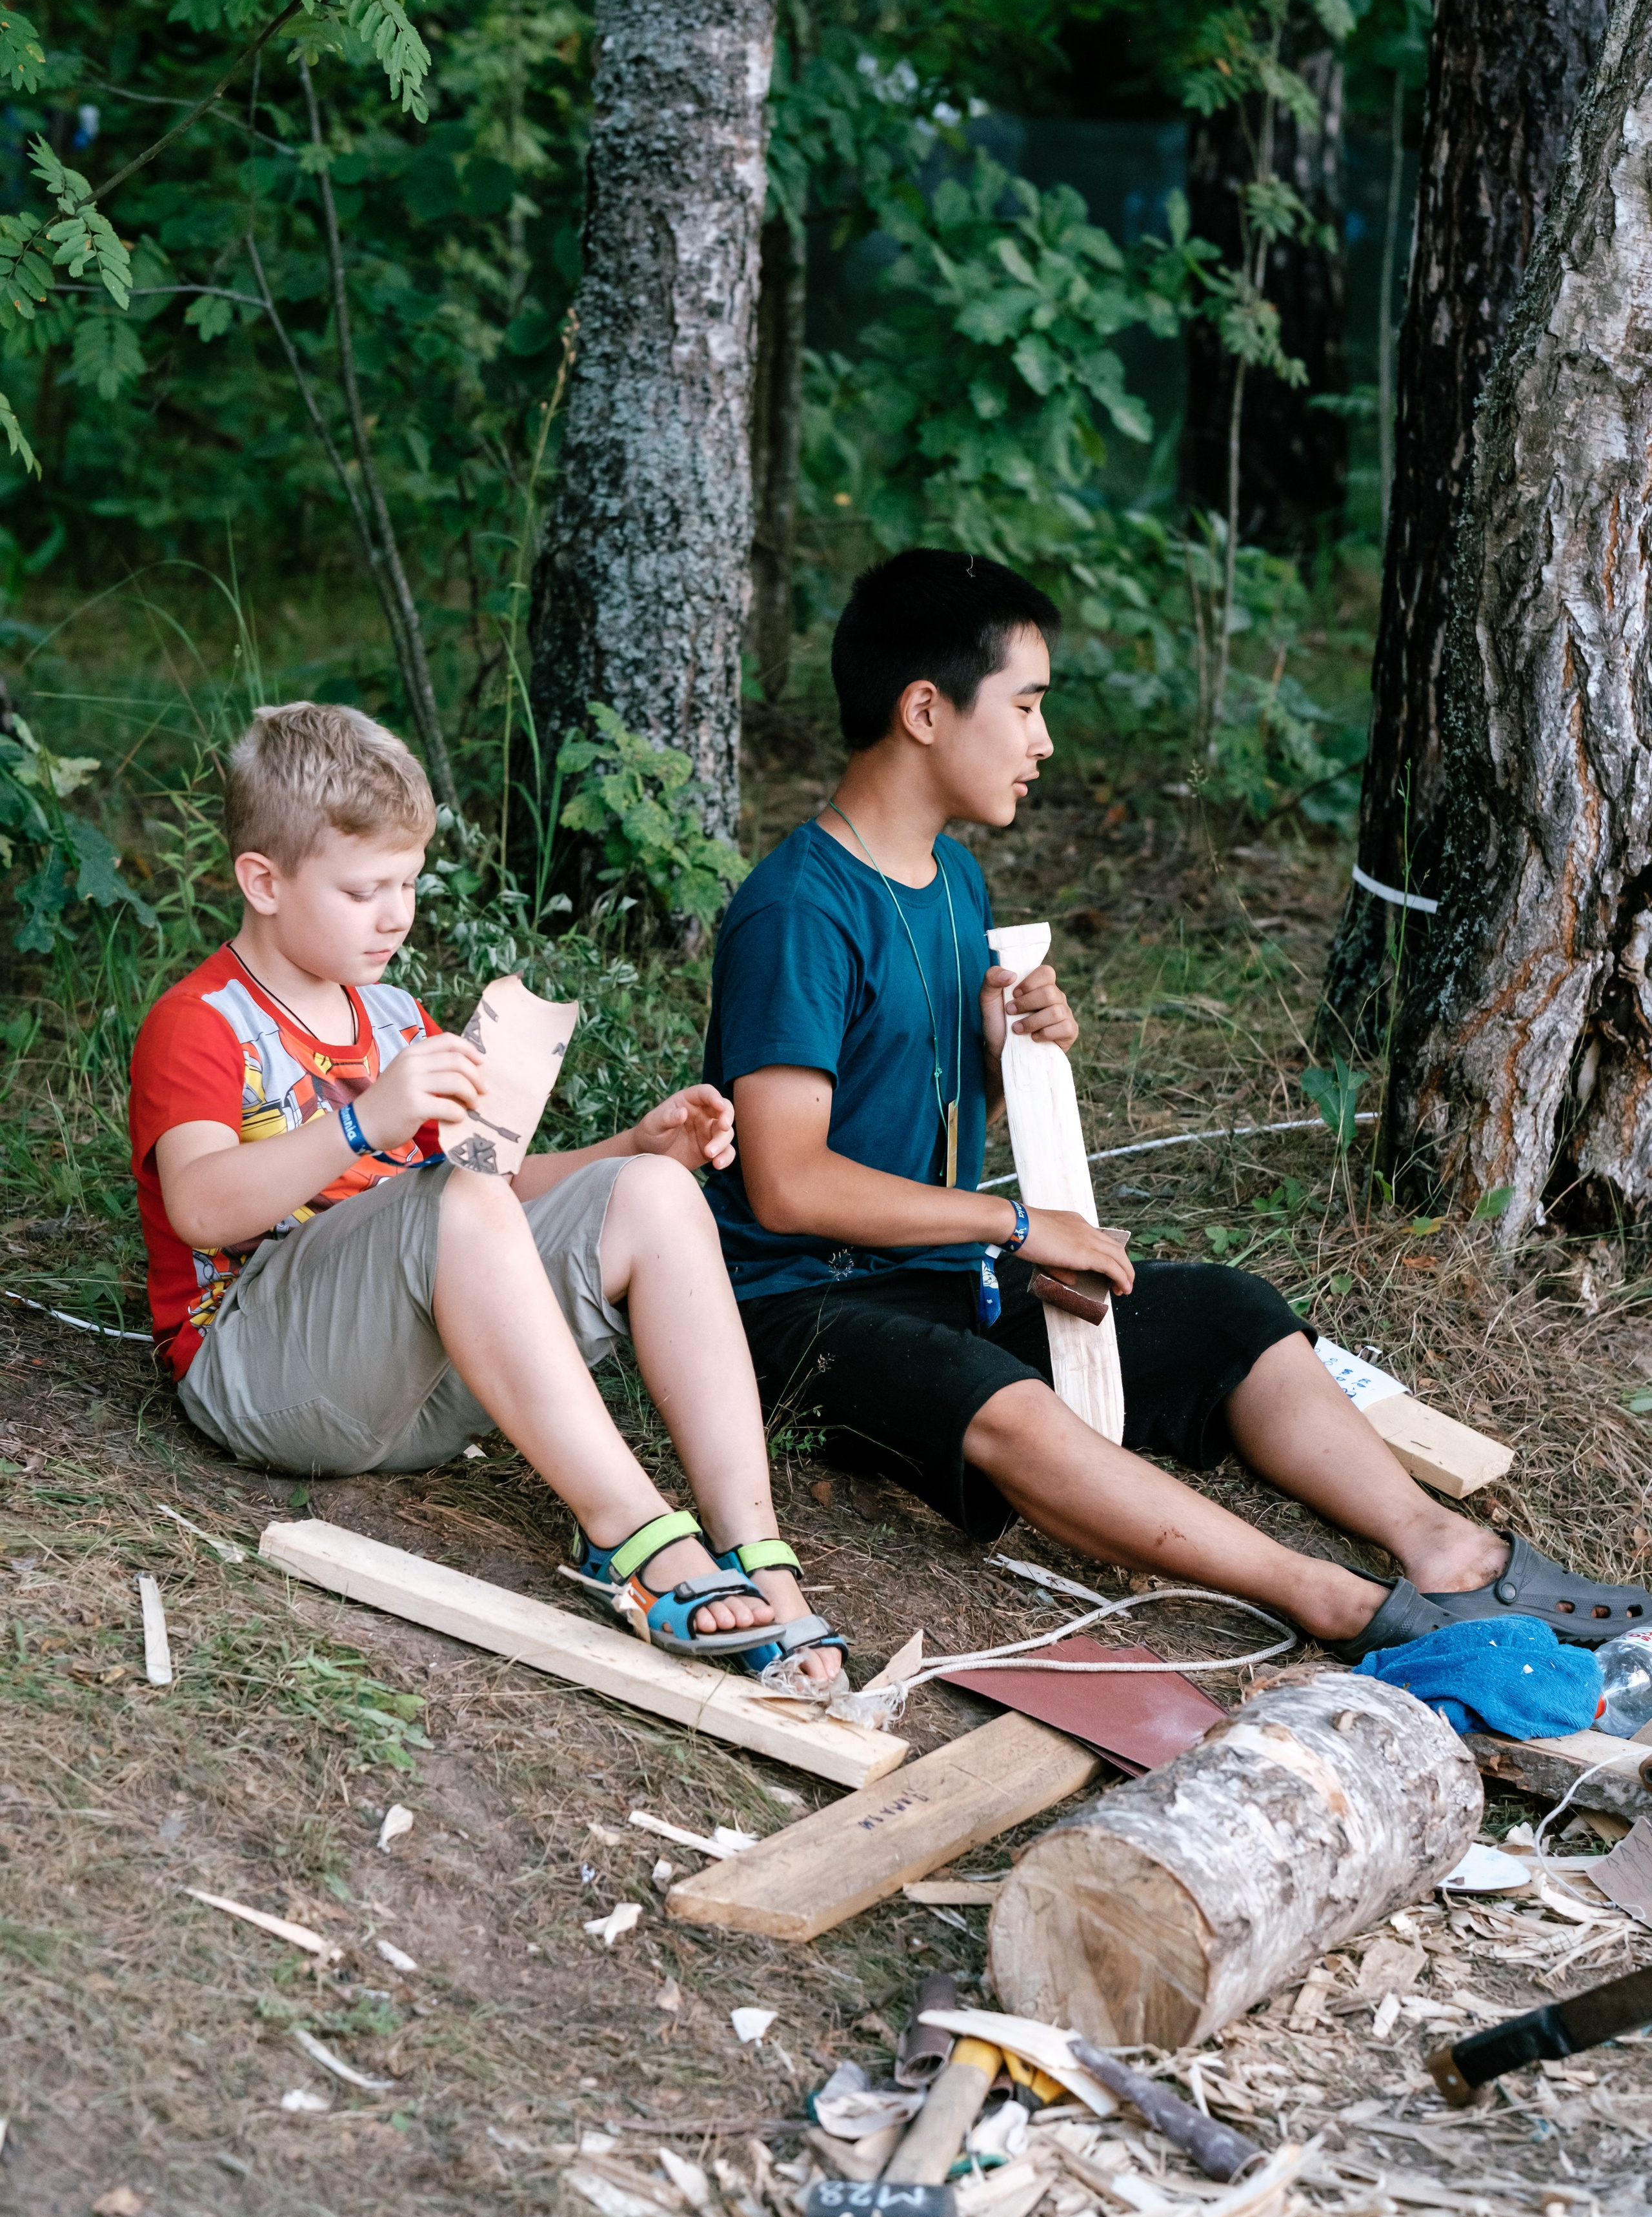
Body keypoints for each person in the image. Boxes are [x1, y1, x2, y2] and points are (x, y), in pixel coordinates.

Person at [702, 549, 1649, 1658]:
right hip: (789, 1313)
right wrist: (1016, 1224)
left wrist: (1013, 1061)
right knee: (1001, 1401)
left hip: (931, 1275)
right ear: (924, 708)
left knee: (1225, 1311)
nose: (1044, 741)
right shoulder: (799, 912)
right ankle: (1333, 1601)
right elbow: (789, 1180)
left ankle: (1448, 1551)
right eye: (1026, 705)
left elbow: (916, 1131)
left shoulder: (953, 882)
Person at [128, 701, 842, 1677]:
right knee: (448, 1193)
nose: (398, 914)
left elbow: (488, 1201)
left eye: (410, 882)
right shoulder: (200, 1022)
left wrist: (632, 1147)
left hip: (415, 1386)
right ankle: (632, 1537)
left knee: (650, 1193)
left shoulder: (391, 1016)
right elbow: (202, 1208)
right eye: (364, 889)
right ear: (264, 880)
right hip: (261, 1372)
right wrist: (361, 1122)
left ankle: (758, 1552)